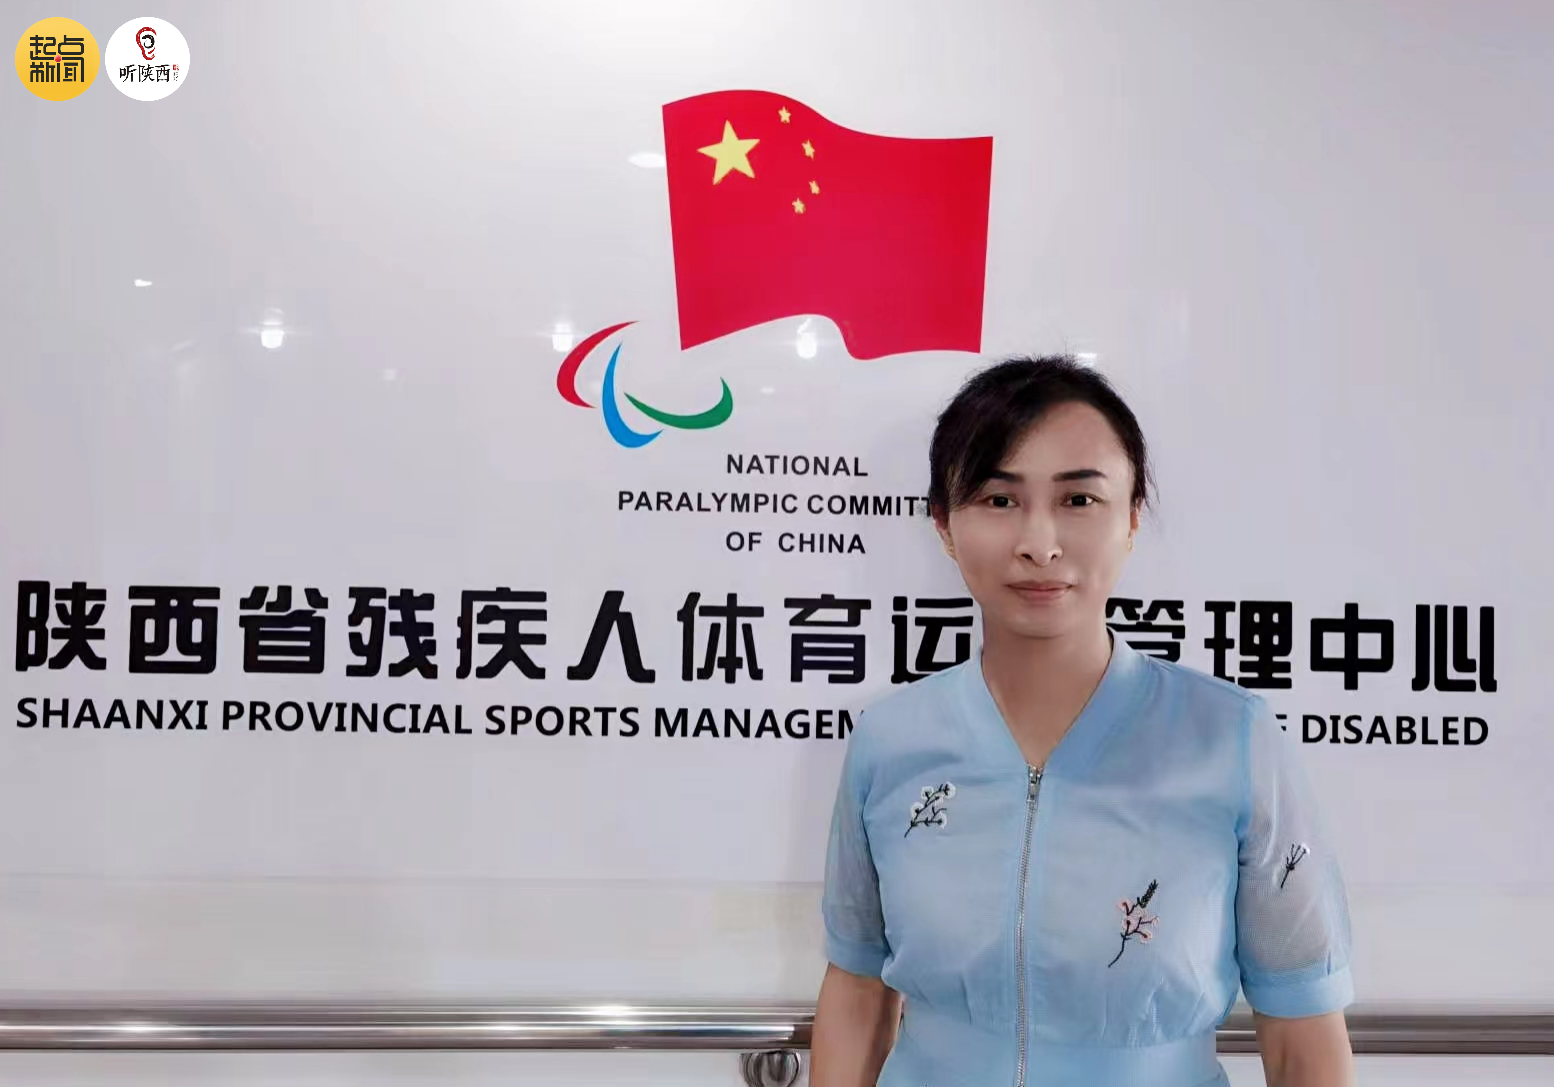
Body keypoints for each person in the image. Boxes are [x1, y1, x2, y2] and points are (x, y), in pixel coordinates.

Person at [811, 356, 1355, 1087]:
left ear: (1130, 519)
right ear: (943, 524)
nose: (1039, 543)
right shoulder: (891, 741)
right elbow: (856, 989)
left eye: (1078, 499)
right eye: (999, 499)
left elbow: (1303, 1035)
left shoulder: (1230, 740)